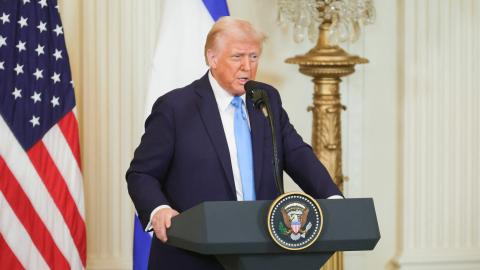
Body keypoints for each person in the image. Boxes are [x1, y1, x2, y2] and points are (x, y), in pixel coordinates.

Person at [126, 16, 343, 270]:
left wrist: (332, 199)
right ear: (212, 58)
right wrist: (158, 209)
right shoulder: (176, 108)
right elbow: (141, 174)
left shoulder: (265, 98)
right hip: (193, 256)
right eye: (237, 57)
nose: (247, 67)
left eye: (254, 57)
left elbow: (296, 153)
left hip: (263, 250)